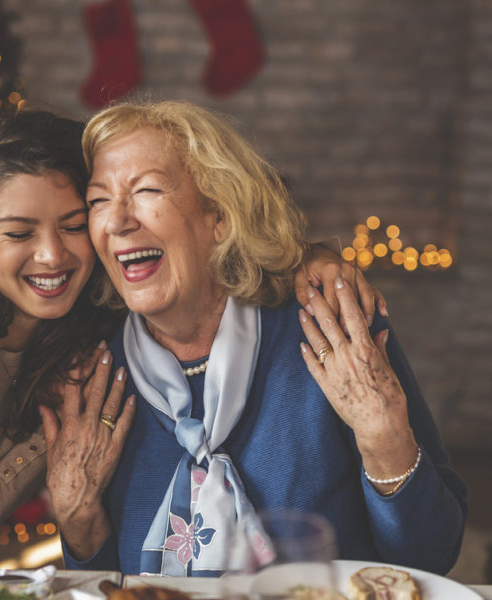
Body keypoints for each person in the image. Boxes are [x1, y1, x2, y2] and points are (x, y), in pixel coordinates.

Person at [0, 110, 378, 567]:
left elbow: (224, 249)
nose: (52, 255)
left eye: (75, 223)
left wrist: (312, 258)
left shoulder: (80, 329)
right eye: (18, 231)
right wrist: (40, 445)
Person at [42, 100, 467, 577]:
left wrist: (384, 439)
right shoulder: (96, 371)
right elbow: (99, 584)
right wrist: (78, 521)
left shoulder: (329, 326)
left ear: (219, 216)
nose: (117, 221)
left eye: (147, 190)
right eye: (98, 200)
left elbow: (432, 557)